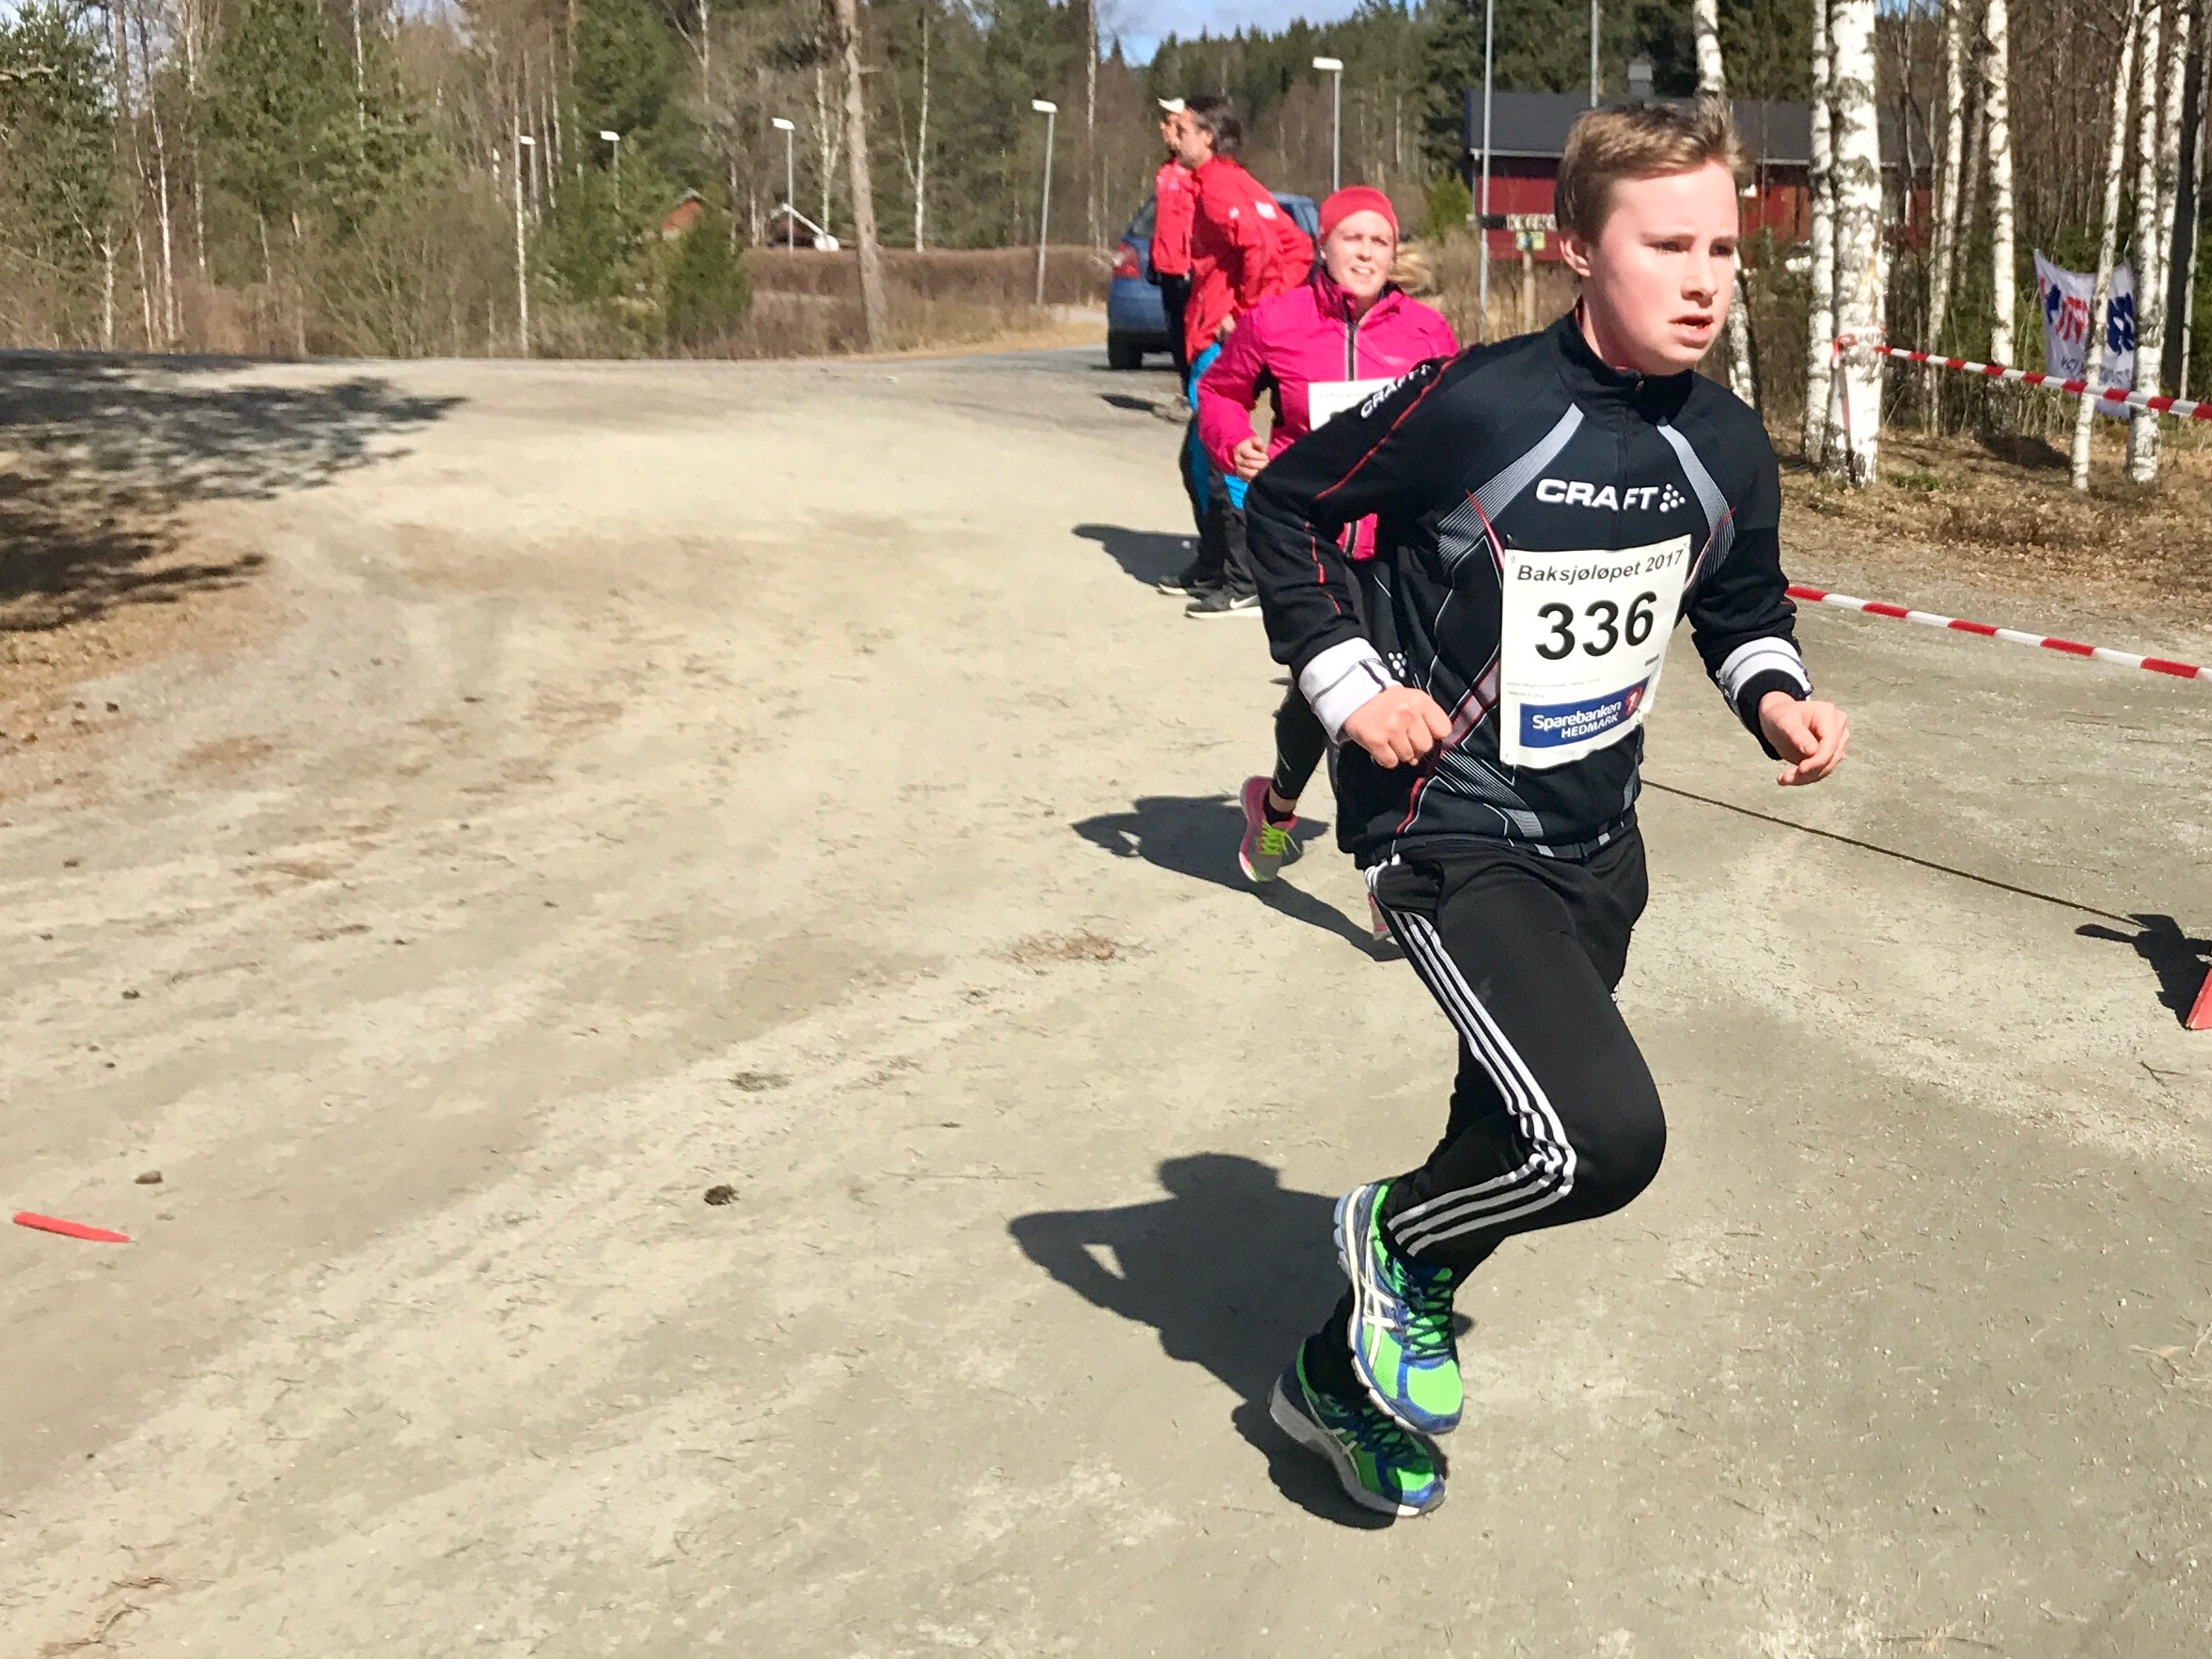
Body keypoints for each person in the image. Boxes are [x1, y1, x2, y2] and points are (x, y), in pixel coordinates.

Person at [1243, 102, 1851, 1517]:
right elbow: (1285, 510)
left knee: (1511, 1138)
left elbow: (1740, 604)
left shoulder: (1726, 440)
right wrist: (1349, 687)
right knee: (1600, 1138)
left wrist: (1779, 697)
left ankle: (1329, 1380)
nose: (1703, 281)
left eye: (1721, 249)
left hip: (1598, 850)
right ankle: (1389, 1239)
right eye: (1665, 246)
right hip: (1447, 831)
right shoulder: (1484, 403)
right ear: (1576, 245)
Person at [1195, 185, 1458, 902]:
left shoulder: (1427, 333)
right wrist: (1235, 443)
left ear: (1394, 253)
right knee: (1338, 696)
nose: (1366, 253)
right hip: (1303, 541)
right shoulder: (1275, 321)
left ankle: (1288, 816)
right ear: (1324, 245)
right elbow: (1219, 392)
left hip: (1393, 544)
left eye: (1380, 241)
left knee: (1359, 696)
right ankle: (1374, 870)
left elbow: (1455, 426)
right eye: (1352, 238)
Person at [1159, 94, 1314, 617]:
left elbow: (1264, 248)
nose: (1174, 137)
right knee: (1197, 457)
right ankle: (1215, 562)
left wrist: (1247, 314)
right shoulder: (1234, 182)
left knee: (1218, 452)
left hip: (1219, 338)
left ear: (1207, 137)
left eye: (1182, 129)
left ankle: (1245, 575)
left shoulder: (1219, 187)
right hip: (1215, 331)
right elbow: (1296, 247)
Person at [1149, 100, 1197, 384]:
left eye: (1168, 122)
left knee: (1193, 334)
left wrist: (1193, 263)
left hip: (1187, 269)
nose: (1162, 128)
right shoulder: (1165, 170)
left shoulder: (1194, 173)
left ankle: (1198, 394)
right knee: (1175, 333)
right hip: (1166, 266)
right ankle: (1187, 389)